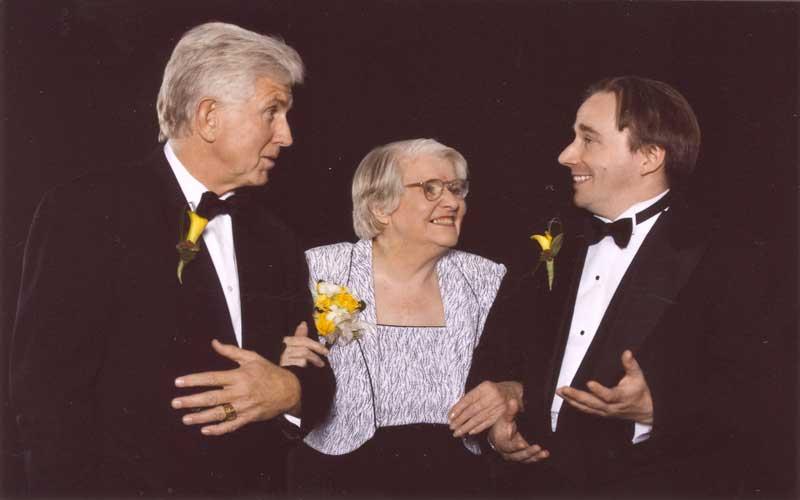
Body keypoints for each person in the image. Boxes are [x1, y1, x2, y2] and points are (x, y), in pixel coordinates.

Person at [9, 22, 333, 497]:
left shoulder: (276, 240)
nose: (286, 135)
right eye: (272, 112)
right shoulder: (87, 210)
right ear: (208, 117)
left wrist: (292, 391)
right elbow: (46, 397)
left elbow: (313, 371)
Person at [482, 76, 769, 497]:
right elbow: (498, 348)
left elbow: (765, 392)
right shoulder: (548, 243)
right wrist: (500, 409)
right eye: (572, 137)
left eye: (588, 139)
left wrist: (660, 409)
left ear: (649, 156)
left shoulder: (731, 258)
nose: (566, 155)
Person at [277, 138, 518, 497]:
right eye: (431, 189)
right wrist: (282, 368)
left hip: (457, 483)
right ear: (380, 208)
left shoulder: (486, 280)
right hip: (337, 483)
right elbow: (281, 373)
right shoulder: (321, 270)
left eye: (456, 189)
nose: (452, 202)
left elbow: (525, 375)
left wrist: (512, 391)